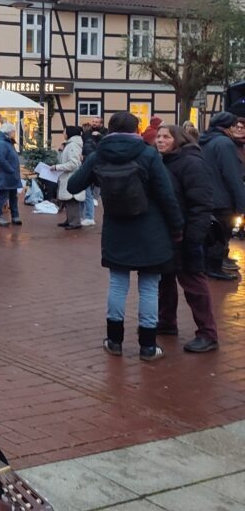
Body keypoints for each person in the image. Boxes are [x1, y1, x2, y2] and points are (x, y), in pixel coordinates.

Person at [68, 111, 183, 361]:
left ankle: (115, 341)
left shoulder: (99, 155)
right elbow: (166, 196)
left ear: (109, 129)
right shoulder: (149, 154)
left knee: (118, 285)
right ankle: (148, 346)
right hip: (151, 229)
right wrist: (177, 227)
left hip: (116, 229)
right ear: (136, 129)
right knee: (149, 287)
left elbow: (73, 185)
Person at [154, 124, 219, 353]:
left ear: (178, 140)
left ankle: (207, 333)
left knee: (193, 282)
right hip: (167, 232)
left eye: (165, 137)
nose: (160, 140)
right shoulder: (162, 161)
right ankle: (166, 322)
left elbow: (201, 203)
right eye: (158, 137)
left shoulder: (191, 162)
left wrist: (193, 238)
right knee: (166, 279)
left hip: (188, 233)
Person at [198, 111, 245, 281]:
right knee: (221, 234)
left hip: (208, 196)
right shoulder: (224, 143)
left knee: (212, 234)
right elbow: (232, 175)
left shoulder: (205, 140)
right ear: (228, 127)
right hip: (222, 198)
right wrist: (242, 204)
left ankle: (208, 266)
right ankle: (215, 268)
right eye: (234, 126)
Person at [53, 126, 85, 229]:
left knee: (72, 199)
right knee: (68, 200)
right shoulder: (69, 145)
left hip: (71, 177)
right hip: (68, 177)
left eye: (65, 131)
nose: (63, 133)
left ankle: (75, 222)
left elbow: (73, 164)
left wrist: (57, 167)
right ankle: (70, 220)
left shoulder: (72, 146)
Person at [0, 123, 23, 226]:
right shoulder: (2, 143)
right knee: (4, 196)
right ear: (9, 132)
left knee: (13, 196)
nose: (14, 134)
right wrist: (11, 170)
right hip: (5, 175)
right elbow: (0, 159)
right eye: (13, 132)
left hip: (10, 175)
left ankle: (15, 216)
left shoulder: (7, 142)